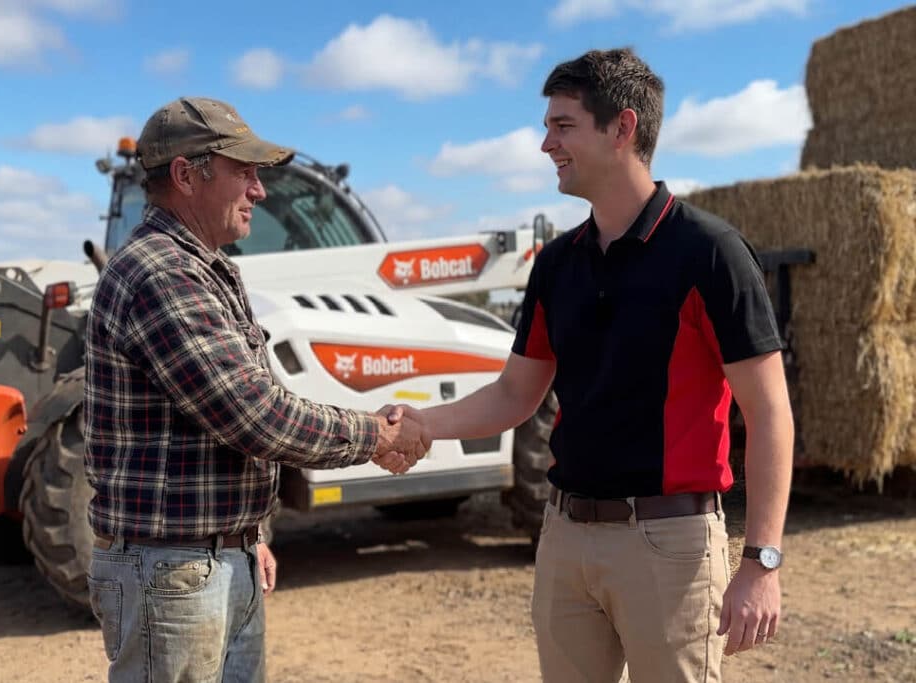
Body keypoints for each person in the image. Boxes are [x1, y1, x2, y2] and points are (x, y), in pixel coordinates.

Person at [385, 49, 793, 682]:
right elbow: (515, 395)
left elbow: (769, 413)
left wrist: (760, 563)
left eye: (563, 125)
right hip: (564, 538)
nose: (546, 143)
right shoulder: (555, 265)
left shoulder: (709, 254)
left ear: (622, 128)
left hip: (671, 546)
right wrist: (418, 424)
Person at [83, 96, 429, 683]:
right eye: (243, 172)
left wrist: (247, 537)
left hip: (210, 560)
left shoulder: (207, 268)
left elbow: (228, 424)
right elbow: (251, 413)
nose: (259, 190)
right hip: (175, 570)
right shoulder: (162, 272)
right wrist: (375, 434)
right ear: (186, 176)